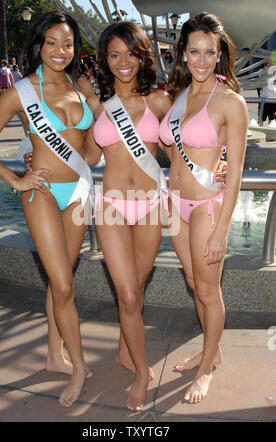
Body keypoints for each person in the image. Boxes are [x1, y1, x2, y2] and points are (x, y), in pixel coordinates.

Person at [85, 21, 226, 411]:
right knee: (127, 293)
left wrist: (220, 164)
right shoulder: (99, 105)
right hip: (111, 204)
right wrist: (35, 158)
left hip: (150, 206)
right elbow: (86, 158)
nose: (123, 62)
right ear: (105, 60)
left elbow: (182, 149)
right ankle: (141, 370)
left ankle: (122, 351)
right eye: (114, 55)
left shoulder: (162, 102)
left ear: (142, 55)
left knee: (139, 285)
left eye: (131, 53)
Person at [0, 10, 94, 408]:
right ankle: (78, 367)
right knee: (63, 285)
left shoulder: (82, 87)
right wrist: (15, 179)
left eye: (68, 43)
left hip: (77, 191)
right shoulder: (20, 91)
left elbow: (94, 145)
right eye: (51, 43)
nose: (60, 51)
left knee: (60, 278)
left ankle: (52, 355)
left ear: (75, 48)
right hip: (40, 191)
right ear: (38, 46)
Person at [159, 12, 248, 403]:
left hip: (205, 208)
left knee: (209, 292)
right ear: (182, 53)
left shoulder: (231, 101)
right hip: (174, 203)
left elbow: (239, 169)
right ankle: (213, 350)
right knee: (195, 284)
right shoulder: (179, 94)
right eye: (193, 51)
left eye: (209, 52)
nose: (201, 60)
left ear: (219, 54)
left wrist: (224, 228)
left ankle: (207, 369)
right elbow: (168, 145)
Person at [259, 59, 276, 124]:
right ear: (266, 62)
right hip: (265, 97)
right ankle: (261, 128)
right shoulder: (262, 70)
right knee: (262, 117)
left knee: (272, 118)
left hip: (273, 97)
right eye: (269, 61)